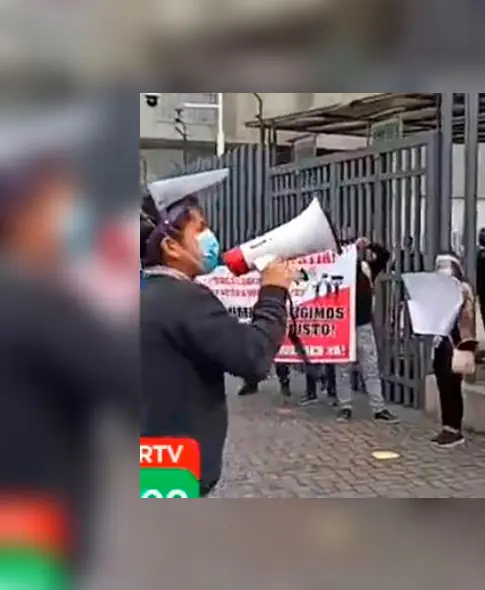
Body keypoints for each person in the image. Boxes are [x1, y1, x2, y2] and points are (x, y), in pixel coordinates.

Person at [0, 107, 135, 578]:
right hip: (25, 524)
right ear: (22, 215)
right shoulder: (38, 302)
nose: (72, 217)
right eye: (59, 204)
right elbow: (125, 382)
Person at [140, 169, 297, 497]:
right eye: (200, 228)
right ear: (170, 246)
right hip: (171, 468)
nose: (209, 236)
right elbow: (253, 357)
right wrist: (273, 292)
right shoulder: (185, 299)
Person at [332, 236, 398, 423]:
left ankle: (378, 408)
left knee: (370, 367)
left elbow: (384, 256)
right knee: (343, 369)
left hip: (363, 324)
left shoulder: (366, 269)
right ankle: (345, 407)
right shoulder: (337, 270)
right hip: (343, 326)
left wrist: (370, 245)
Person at [428, 251, 478, 447]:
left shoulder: (463, 289)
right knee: (443, 384)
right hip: (440, 342)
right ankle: (446, 426)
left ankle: (454, 429)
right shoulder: (438, 290)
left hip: (456, 341)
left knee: (453, 386)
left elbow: (466, 316)